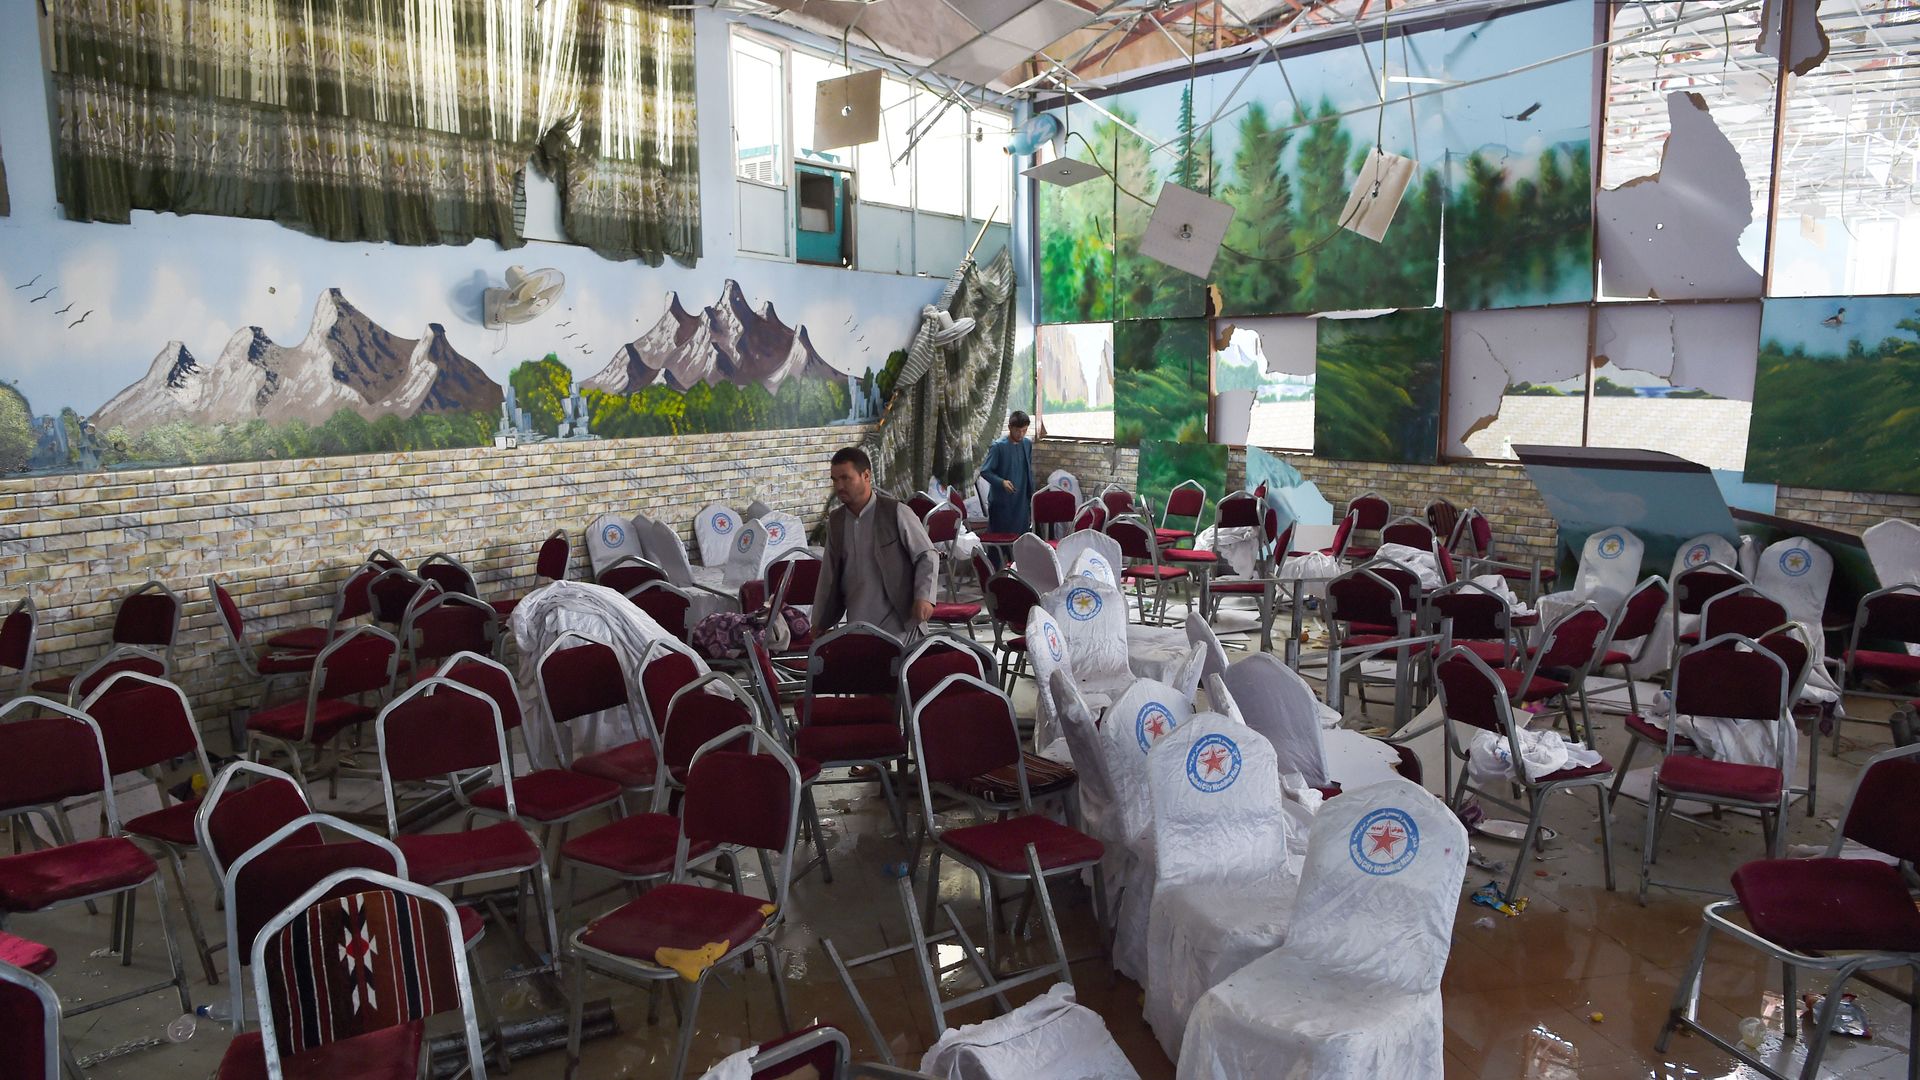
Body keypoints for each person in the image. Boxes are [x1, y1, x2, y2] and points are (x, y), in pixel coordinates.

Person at [815, 446, 939, 638]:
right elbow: (828, 574)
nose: (839, 486)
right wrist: (819, 621)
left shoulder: (896, 512)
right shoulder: (836, 521)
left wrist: (924, 597)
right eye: (835, 480)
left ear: (866, 476)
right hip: (857, 623)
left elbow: (927, 555)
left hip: (899, 623)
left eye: (846, 478)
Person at [980, 411, 1038, 537]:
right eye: (1018, 431)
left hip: (1021, 500)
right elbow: (985, 471)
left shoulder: (1027, 444)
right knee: (1001, 537)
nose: (1021, 434)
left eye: (1024, 430)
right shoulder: (998, 447)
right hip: (1003, 501)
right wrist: (1001, 482)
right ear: (1010, 428)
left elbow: (1027, 469)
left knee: (1021, 538)